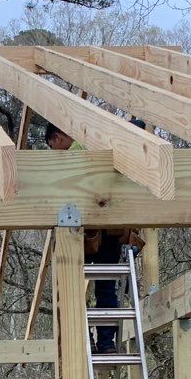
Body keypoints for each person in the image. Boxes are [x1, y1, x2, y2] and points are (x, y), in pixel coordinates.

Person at [43, 121, 144, 353]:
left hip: (82, 235)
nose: (53, 151)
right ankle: (106, 343)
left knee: (73, 288)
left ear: (57, 137)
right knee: (106, 288)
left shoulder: (73, 155)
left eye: (51, 145)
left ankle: (86, 340)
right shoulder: (99, 143)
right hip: (110, 232)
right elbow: (132, 128)